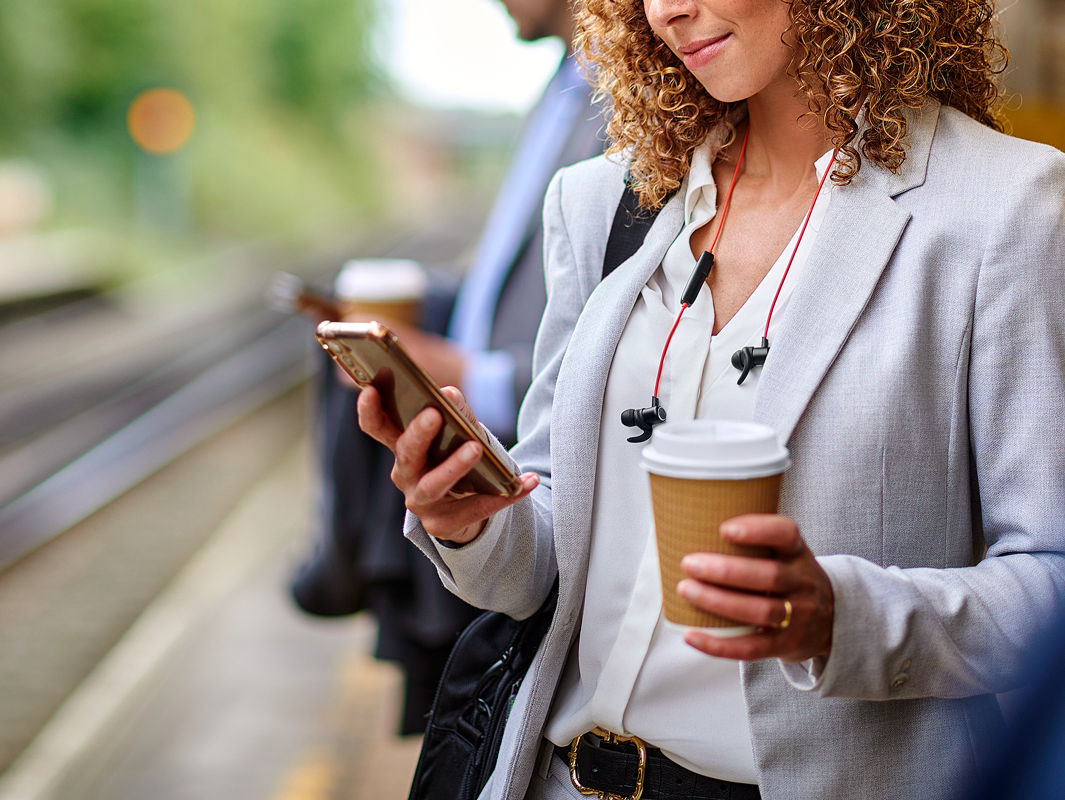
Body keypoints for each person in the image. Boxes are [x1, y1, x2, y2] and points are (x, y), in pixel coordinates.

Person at [359, 0, 1065, 796]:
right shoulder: (601, 204)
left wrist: (841, 616)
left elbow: (1050, 581)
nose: (668, 11)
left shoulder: (1005, 211)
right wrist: (473, 521)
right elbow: (542, 568)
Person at [294, 0, 606, 736]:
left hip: (527, 478)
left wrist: (467, 369)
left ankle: (341, 557)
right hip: (483, 497)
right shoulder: (561, 87)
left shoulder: (629, 98)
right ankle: (343, 552)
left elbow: (604, 327)